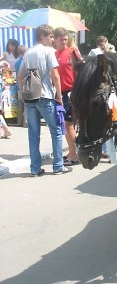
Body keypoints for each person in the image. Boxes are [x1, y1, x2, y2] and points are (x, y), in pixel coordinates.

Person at [18, 24, 71, 176]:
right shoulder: (48, 51)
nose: (52, 39)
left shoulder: (28, 53)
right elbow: (55, 75)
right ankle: (58, 166)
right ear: (42, 36)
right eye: (50, 36)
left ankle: (35, 169)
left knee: (33, 134)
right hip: (46, 96)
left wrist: (24, 91)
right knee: (55, 131)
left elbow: (20, 76)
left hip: (30, 98)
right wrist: (59, 96)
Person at [54, 27, 82, 166]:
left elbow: (81, 69)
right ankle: (72, 151)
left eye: (66, 39)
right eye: (61, 39)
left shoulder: (72, 52)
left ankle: (74, 155)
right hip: (60, 93)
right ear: (55, 39)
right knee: (64, 124)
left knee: (68, 124)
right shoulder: (54, 54)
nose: (64, 42)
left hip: (72, 91)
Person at [14, 45, 28, 127]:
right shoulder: (25, 61)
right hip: (26, 85)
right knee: (27, 104)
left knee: (20, 105)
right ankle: (25, 122)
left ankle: (19, 121)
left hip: (18, 86)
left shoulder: (16, 61)